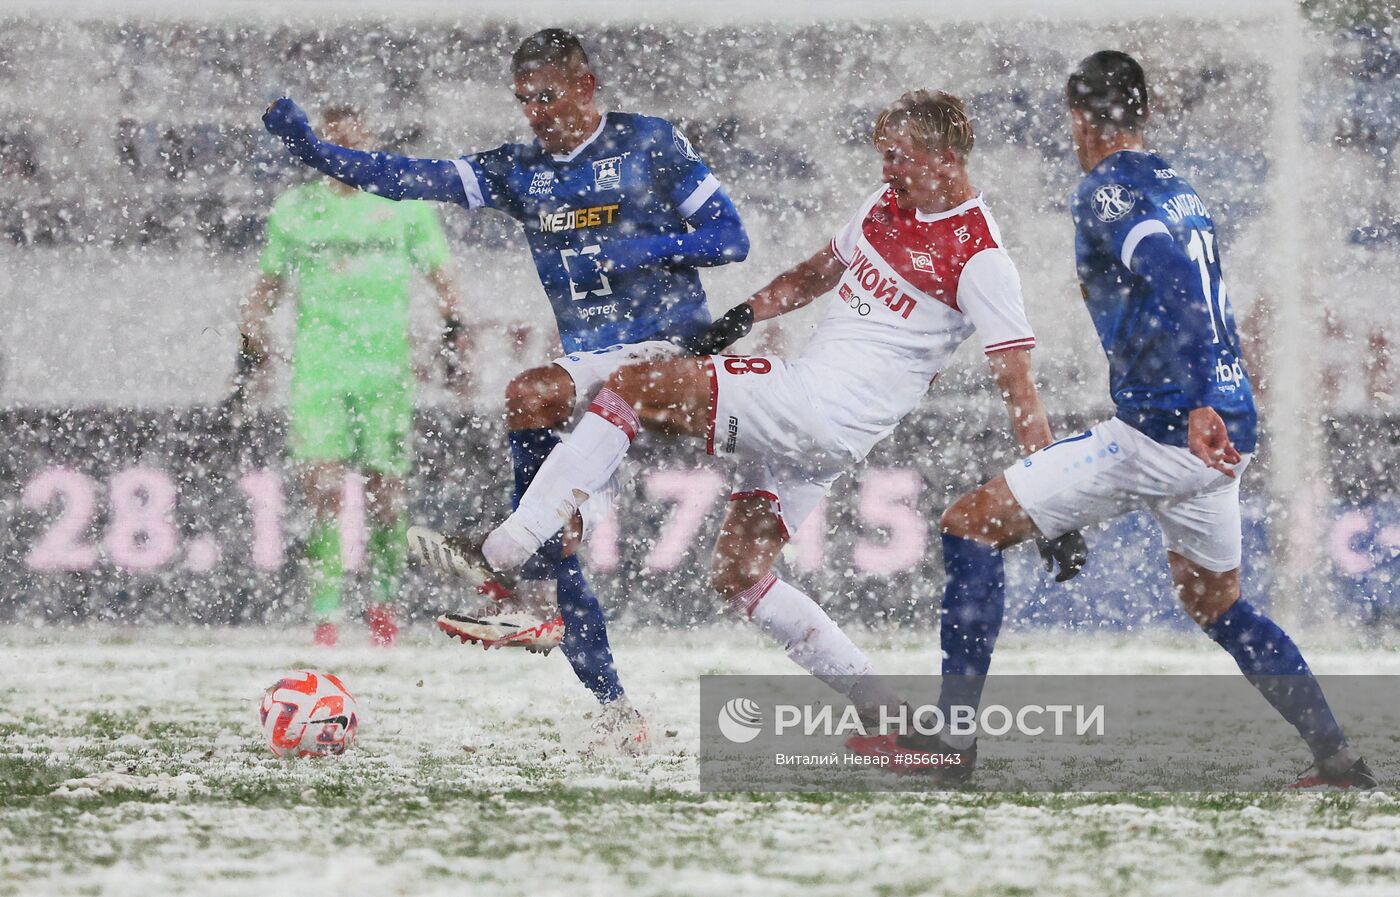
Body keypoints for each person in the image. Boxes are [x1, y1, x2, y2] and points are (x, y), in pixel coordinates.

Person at [414, 90, 1086, 722]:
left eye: (900, 157)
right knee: (738, 574)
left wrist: (1053, 502)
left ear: (946, 159)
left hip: (813, 405)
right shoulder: (884, 206)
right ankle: (884, 708)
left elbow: (1018, 386)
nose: (887, 169)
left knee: (636, 388)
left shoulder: (981, 257)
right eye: (883, 154)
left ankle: (510, 552)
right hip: (822, 434)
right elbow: (816, 273)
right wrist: (743, 315)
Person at [854, 51, 1376, 789]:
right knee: (1218, 603)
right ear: (1144, 113)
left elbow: (1171, 275)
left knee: (969, 525)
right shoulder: (1177, 185)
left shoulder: (1106, 189)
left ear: (1078, 118)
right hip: (1227, 431)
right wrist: (1212, 400)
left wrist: (1194, 398)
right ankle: (1337, 758)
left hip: (1166, 430)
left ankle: (951, 740)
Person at [262, 29, 750, 751]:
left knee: (548, 431)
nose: (535, 113)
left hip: (670, 349)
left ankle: (513, 561)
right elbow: (407, 177)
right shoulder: (520, 171)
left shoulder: (649, 142)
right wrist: (316, 153)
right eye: (524, 100)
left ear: (585, 85)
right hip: (595, 361)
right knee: (535, 429)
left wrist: (644, 248)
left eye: (547, 96)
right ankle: (608, 695)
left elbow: (730, 238)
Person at [238, 104, 468, 648]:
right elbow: (265, 293)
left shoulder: (403, 204)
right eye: (333, 142)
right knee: (323, 490)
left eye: (353, 140)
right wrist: (248, 355)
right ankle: (326, 615)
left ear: (368, 142)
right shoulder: (295, 211)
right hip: (320, 369)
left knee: (386, 494)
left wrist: (453, 346)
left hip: (385, 370)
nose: (343, 151)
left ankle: (383, 606)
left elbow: (444, 284)